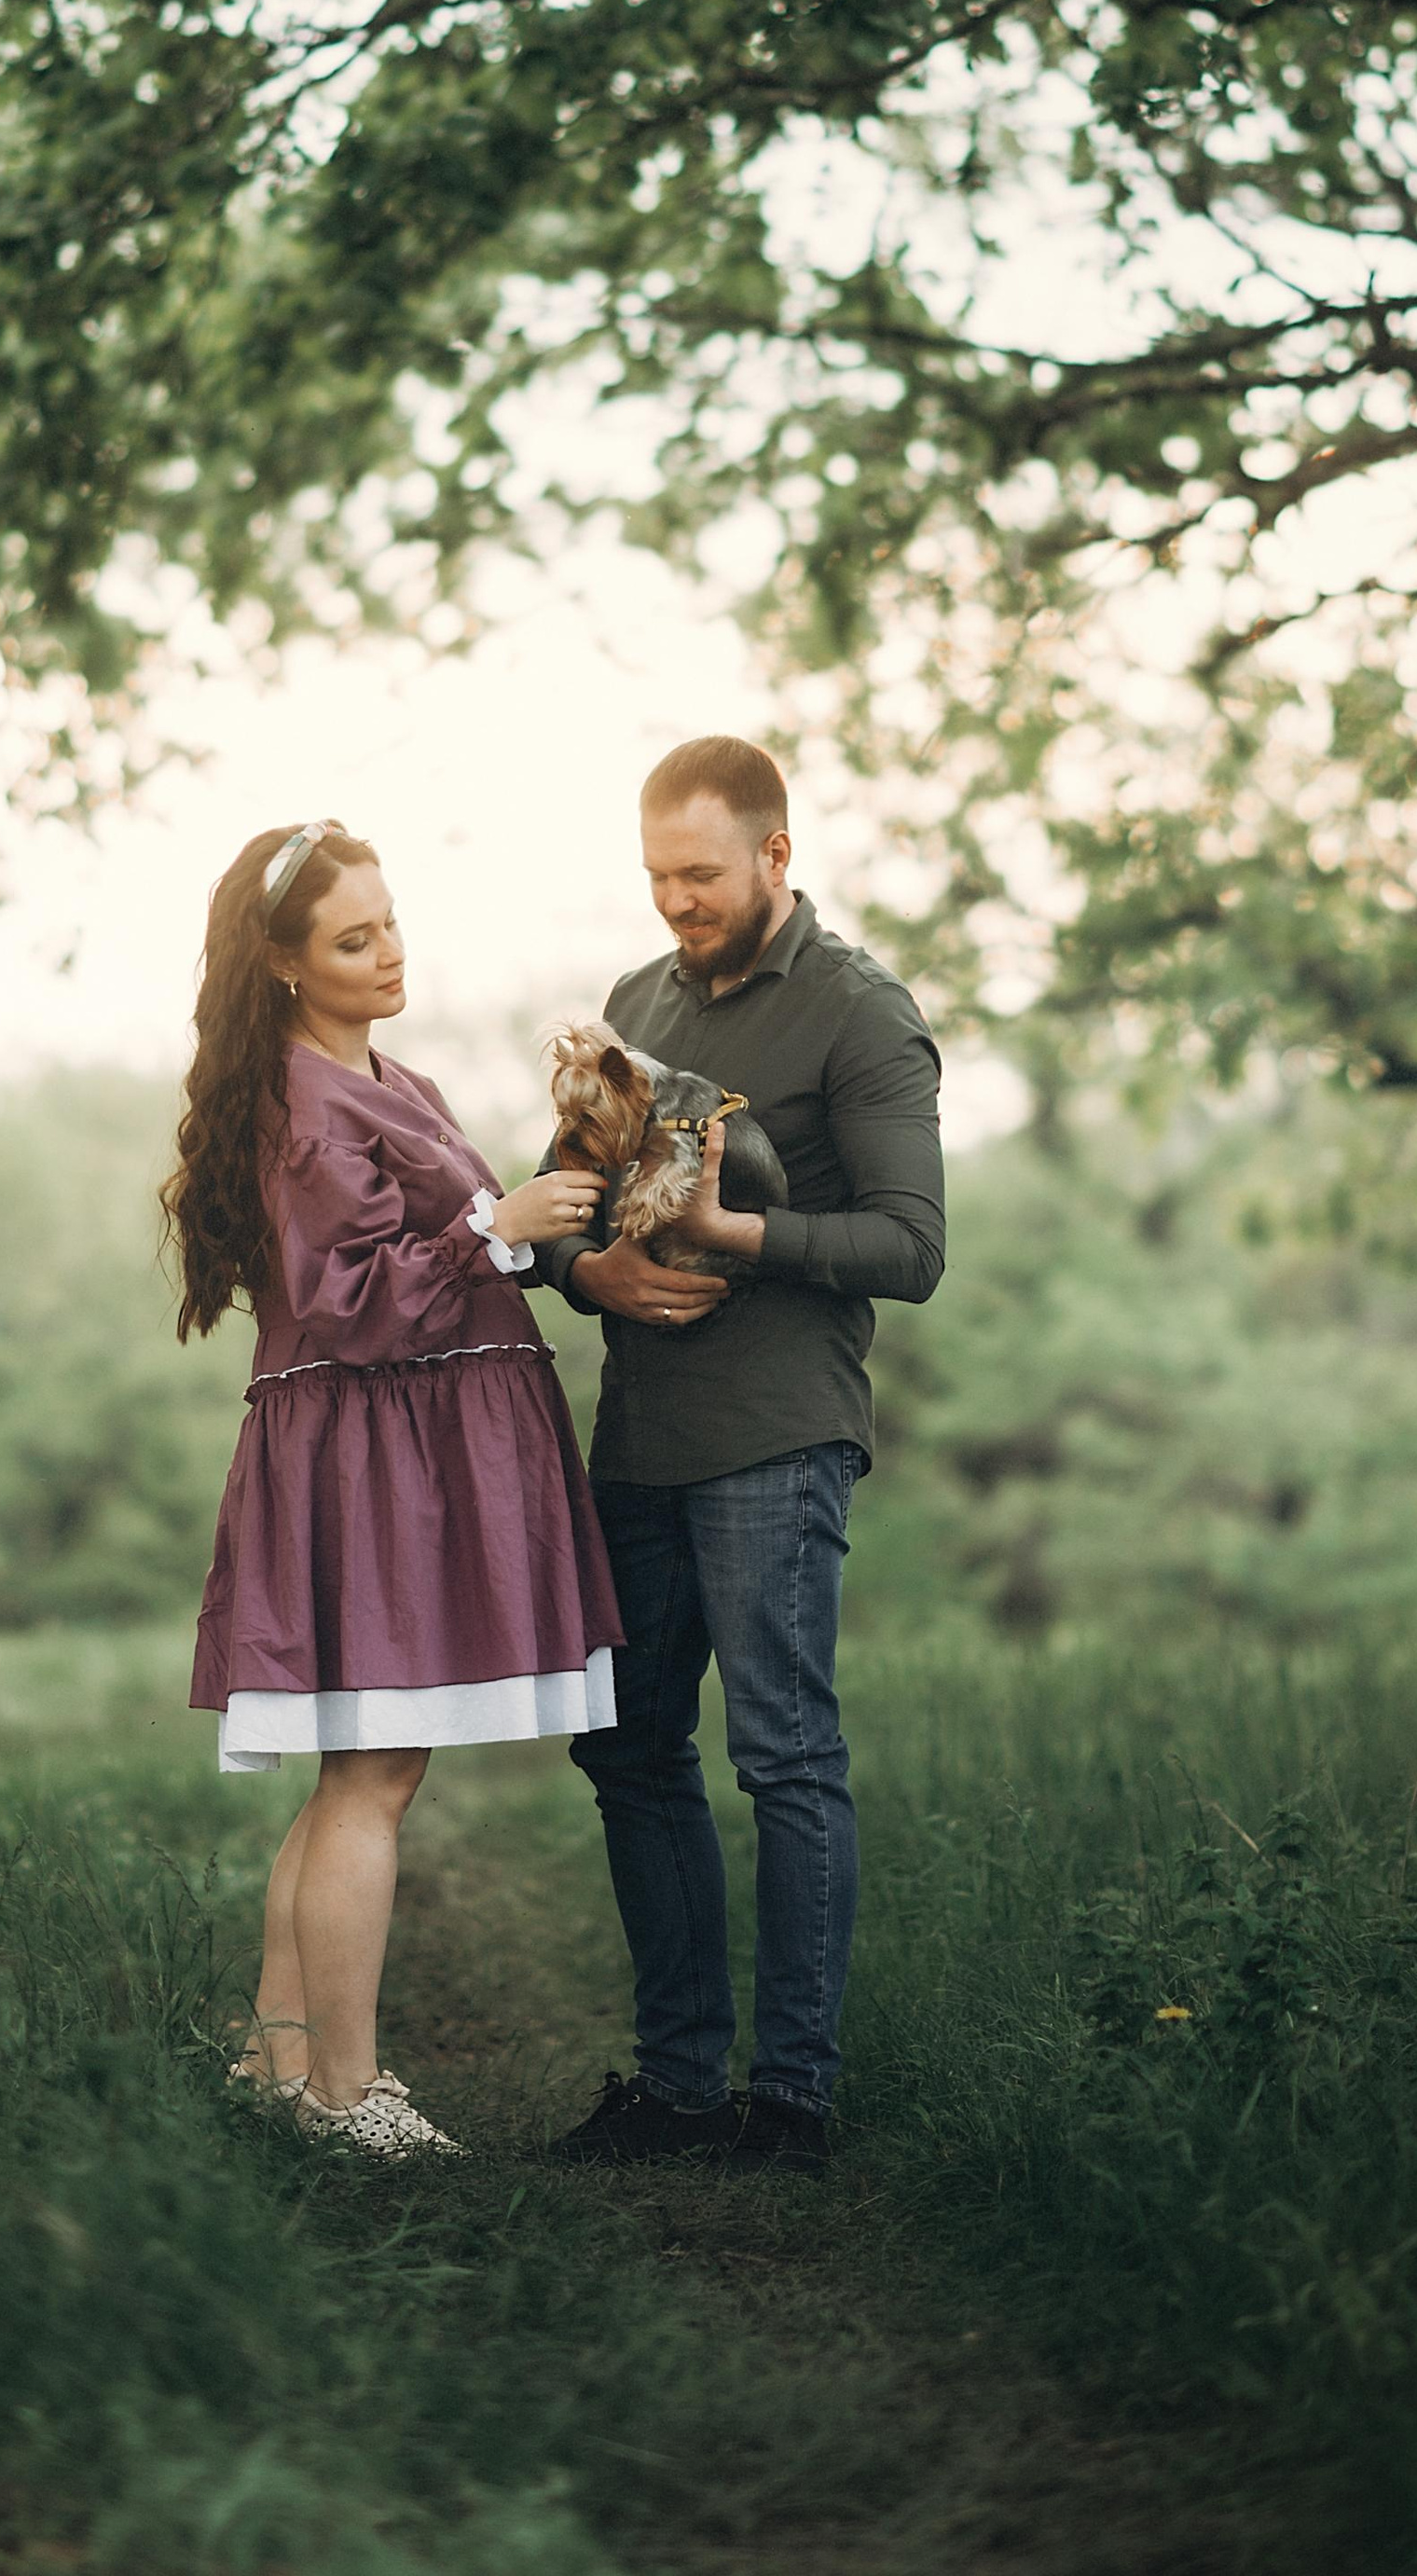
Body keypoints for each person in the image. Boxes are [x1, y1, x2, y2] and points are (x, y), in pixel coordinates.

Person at [166, 819, 614, 2158]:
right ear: (287, 965)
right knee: (373, 1772)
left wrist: (534, 1207)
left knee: (358, 1770)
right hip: (378, 1464)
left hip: (411, 1449)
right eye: (354, 939)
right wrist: (500, 1227)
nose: (389, 951)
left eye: (392, 921)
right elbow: (347, 1303)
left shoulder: (386, 1076)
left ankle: (275, 2059)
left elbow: (439, 1252)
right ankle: (346, 2095)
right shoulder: (304, 1105)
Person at [537, 737, 945, 2179]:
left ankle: (792, 2104)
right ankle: (677, 2088)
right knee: (630, 1749)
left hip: (779, 1436)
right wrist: (588, 1278)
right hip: (638, 1437)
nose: (674, 902)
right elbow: (567, 1208)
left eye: (699, 873)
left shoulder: (860, 1013)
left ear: (777, 854)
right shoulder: (636, 1003)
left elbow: (912, 1248)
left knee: (783, 1758)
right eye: (655, 875)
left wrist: (731, 1239)